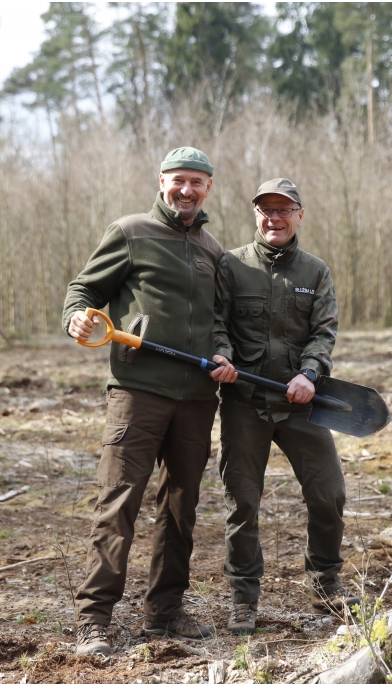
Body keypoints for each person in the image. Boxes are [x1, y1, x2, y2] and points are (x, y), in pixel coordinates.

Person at [62, 147, 237, 656]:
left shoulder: (213, 249)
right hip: (138, 394)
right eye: (179, 180)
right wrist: (77, 317)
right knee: (118, 503)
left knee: (181, 507)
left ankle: (165, 612)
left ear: (208, 188)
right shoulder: (130, 232)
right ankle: (93, 619)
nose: (187, 190)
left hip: (198, 397)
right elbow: (83, 290)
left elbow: (220, 321)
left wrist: (222, 352)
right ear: (161, 181)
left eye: (197, 183)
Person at [212, 178, 358, 636]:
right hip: (244, 403)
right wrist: (222, 357)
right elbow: (216, 324)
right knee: (243, 504)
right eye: (266, 210)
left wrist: (310, 373)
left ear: (299, 215)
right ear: (256, 215)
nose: (274, 218)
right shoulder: (231, 265)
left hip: (300, 406)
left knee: (329, 494)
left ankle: (326, 583)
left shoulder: (315, 272)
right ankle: (243, 599)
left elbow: (324, 332)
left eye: (284, 210)